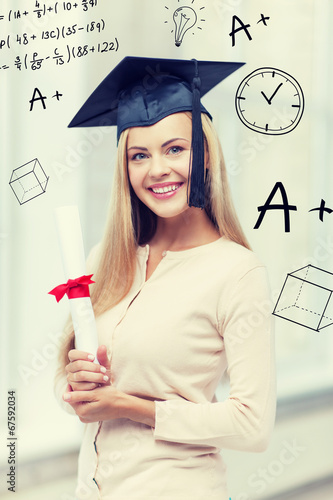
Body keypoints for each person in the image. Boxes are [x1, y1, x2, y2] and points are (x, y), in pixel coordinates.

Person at [55, 57, 276, 500]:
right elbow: (69, 384)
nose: (157, 169)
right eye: (140, 155)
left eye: (175, 149)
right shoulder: (107, 258)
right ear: (126, 167)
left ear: (206, 154)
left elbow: (253, 426)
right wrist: (75, 384)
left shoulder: (236, 272)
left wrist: (131, 407)